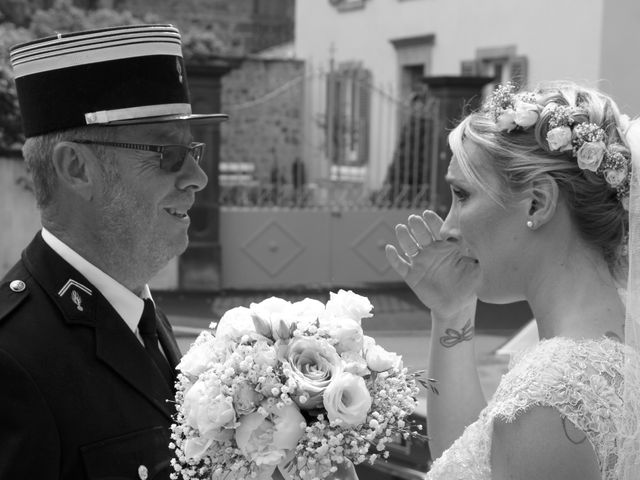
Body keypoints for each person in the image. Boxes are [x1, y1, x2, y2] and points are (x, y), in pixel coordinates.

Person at [0, 24, 227, 479]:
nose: (197, 178)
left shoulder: (137, 312)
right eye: (167, 153)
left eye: (193, 151)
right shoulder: (11, 359)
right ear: (76, 168)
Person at [386, 81, 640, 479]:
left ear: (538, 203)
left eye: (462, 195)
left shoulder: (553, 398)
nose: (448, 228)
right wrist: (452, 314)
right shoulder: (607, 349)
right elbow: (472, 460)